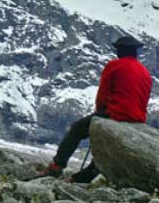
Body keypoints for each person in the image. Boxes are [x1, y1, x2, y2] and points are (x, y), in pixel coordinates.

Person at [40, 35, 152, 183]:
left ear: (120, 50)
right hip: (137, 119)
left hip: (117, 113)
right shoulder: (145, 72)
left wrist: (99, 112)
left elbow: (103, 94)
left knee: (77, 129)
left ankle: (57, 166)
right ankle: (80, 179)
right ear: (135, 52)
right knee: (108, 151)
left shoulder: (114, 65)